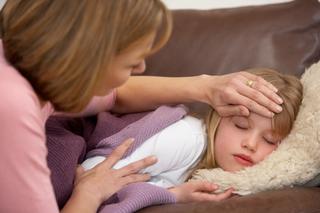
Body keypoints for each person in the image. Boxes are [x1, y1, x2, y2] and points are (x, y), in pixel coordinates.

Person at [0, 1, 283, 213]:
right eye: (130, 62)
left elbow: (115, 96)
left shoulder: (30, 73)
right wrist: (89, 193)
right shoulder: (12, 104)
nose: (142, 68)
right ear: (86, 56)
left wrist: (206, 87)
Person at [82, 68, 303, 203]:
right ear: (218, 117)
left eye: (270, 140)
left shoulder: (216, 171)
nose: (251, 144)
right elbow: (92, 175)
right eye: (241, 125)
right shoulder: (187, 138)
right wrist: (171, 194)